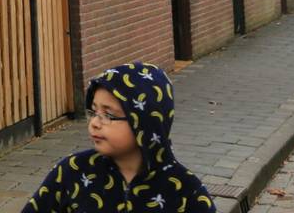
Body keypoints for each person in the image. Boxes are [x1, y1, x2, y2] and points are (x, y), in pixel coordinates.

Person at [21, 62, 216, 212]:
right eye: (93, 112)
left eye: (109, 115)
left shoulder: (185, 189)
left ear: (145, 122)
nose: (95, 123)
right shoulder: (72, 172)